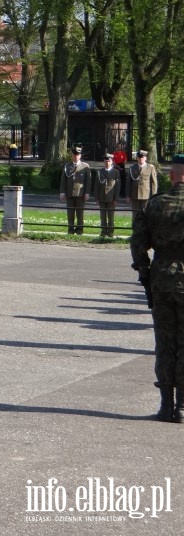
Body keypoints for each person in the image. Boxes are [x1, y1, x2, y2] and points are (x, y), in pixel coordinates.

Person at [130, 154, 184, 422]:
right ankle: (183, 407)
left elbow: (138, 242)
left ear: (173, 175)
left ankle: (166, 405)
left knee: (164, 342)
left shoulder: (155, 204)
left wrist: (143, 269)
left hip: (162, 279)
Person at [59, 145, 91, 235]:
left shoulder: (85, 167)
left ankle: (79, 231)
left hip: (80, 194)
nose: (76, 156)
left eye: (78, 155)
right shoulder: (67, 166)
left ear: (80, 156)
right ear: (72, 155)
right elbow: (63, 180)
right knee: (70, 213)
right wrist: (62, 192)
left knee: (80, 214)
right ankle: (70, 230)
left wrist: (87, 193)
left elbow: (88, 181)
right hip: (69, 194)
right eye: (74, 155)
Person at [126, 150, 158, 220]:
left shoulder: (150, 168)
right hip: (134, 195)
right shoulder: (132, 168)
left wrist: (153, 197)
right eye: (139, 157)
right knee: (135, 215)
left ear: (145, 158)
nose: (141, 159)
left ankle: (145, 230)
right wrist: (128, 195)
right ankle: (135, 230)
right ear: (137, 158)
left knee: (145, 215)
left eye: (142, 157)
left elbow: (154, 184)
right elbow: (129, 183)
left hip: (146, 196)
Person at [95, 153, 120, 238]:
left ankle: (110, 232)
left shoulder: (116, 172)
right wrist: (97, 198)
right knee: (102, 216)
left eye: (108, 161)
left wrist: (116, 198)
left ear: (112, 161)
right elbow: (96, 186)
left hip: (111, 198)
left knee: (111, 216)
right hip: (102, 197)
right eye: (105, 161)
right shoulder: (100, 172)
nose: (107, 163)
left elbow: (117, 187)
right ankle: (103, 231)